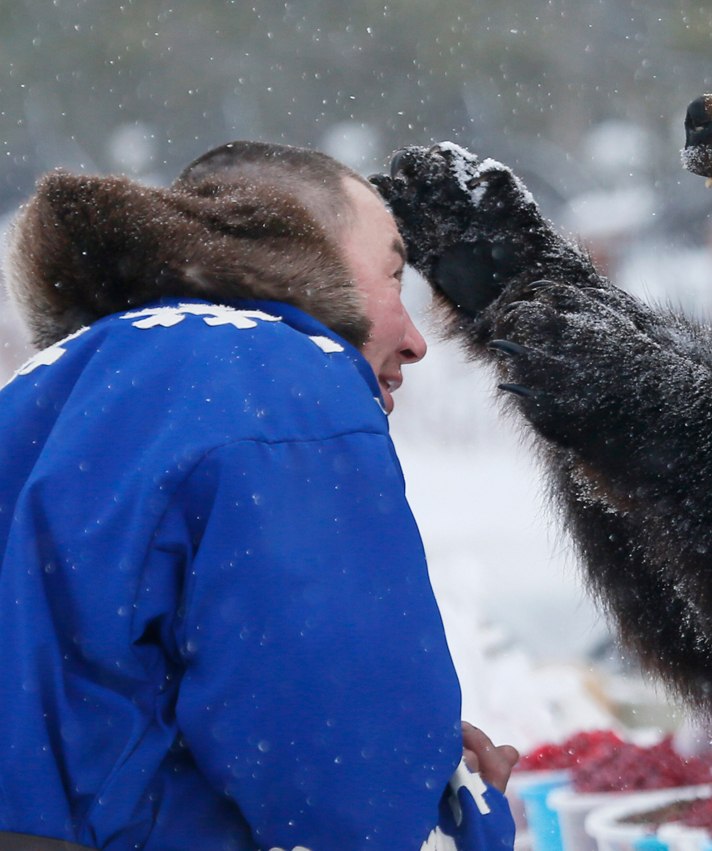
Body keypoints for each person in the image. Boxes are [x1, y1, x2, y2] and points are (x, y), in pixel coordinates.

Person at [0, 142, 517, 851]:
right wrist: (459, 808)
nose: (416, 339)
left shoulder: (65, 380)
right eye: (395, 275)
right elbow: (353, 789)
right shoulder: (279, 380)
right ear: (303, 248)